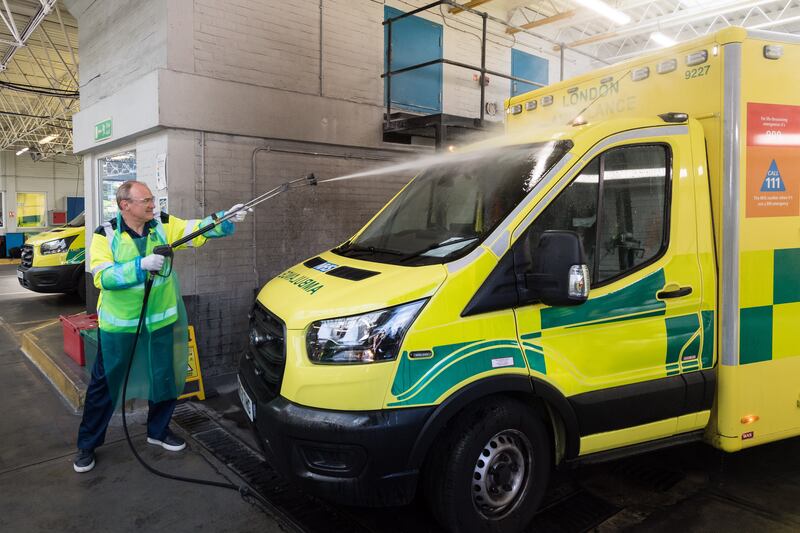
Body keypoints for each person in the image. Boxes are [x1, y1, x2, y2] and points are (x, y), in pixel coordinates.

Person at [73, 180, 249, 473]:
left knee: (164, 377)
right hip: (121, 325)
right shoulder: (105, 234)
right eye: (146, 201)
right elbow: (102, 278)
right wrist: (140, 266)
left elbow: (196, 230)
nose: (153, 205)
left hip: (161, 320)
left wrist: (224, 219)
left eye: (152, 200)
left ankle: (158, 431)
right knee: (106, 384)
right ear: (124, 205)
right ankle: (87, 444)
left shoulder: (162, 224)